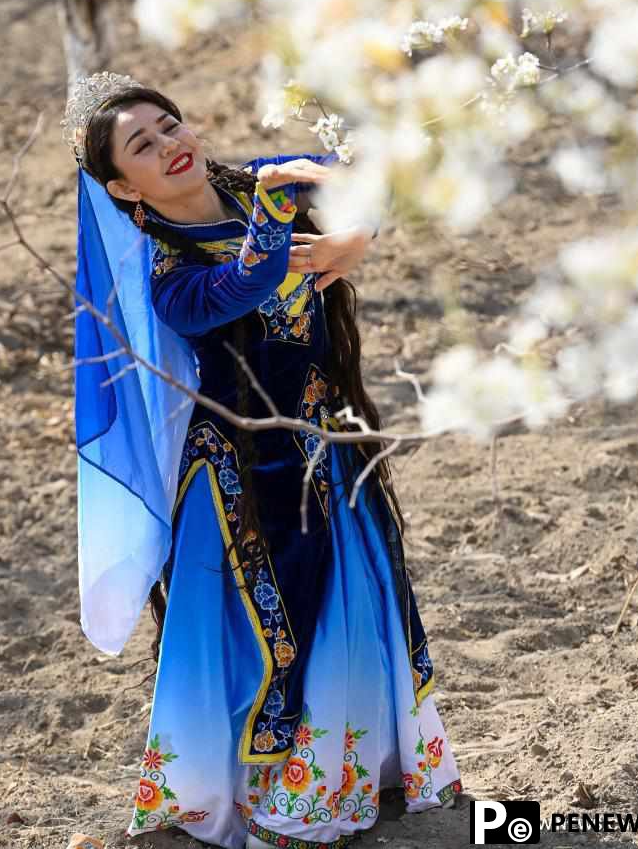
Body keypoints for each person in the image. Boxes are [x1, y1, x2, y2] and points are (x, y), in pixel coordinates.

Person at [63, 72, 462, 849]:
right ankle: (263, 796)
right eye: (143, 145)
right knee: (265, 644)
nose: (170, 144)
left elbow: (369, 172)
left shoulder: (257, 188)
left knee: (350, 620)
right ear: (122, 186)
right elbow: (243, 284)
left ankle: (351, 775)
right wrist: (282, 207)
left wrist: (353, 239)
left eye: (170, 124)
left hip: (323, 454)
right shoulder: (170, 277)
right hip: (242, 486)